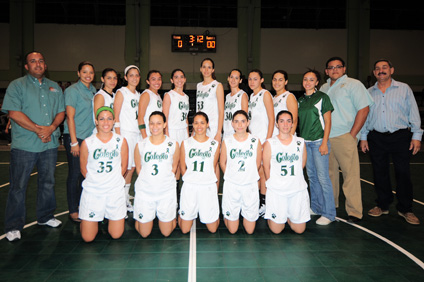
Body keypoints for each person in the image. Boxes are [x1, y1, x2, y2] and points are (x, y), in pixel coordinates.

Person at [2, 51, 64, 241]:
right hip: (25, 146)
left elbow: (61, 112)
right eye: (33, 61)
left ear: (45, 65)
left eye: (41, 61)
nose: (37, 64)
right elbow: (14, 113)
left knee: (48, 182)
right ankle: (13, 225)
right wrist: (39, 130)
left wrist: (52, 127)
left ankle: (45, 216)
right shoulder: (17, 85)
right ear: (27, 66)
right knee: (18, 185)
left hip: (49, 145)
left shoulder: (55, 87)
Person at [360, 59, 423, 225]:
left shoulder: (404, 89)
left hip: (400, 136)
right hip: (376, 137)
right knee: (379, 173)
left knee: (403, 173)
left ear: (391, 70)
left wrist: (417, 135)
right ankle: (382, 205)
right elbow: (366, 116)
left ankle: (405, 209)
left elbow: (413, 112)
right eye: (378, 69)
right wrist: (364, 137)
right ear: (374, 73)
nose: (381, 71)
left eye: (384, 68)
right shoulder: (369, 92)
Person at [320, 57, 373, 223]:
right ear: (326, 71)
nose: (335, 69)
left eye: (338, 67)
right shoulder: (323, 87)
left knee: (350, 176)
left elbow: (364, 109)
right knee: (329, 176)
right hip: (326, 138)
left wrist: (352, 135)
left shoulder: (354, 84)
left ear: (344, 69)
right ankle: (331, 206)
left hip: (344, 136)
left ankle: (354, 212)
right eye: (331, 67)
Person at [79, 107, 128, 242]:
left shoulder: (121, 141)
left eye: (109, 118)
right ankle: (92, 219)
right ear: (96, 121)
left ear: (113, 121)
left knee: (116, 235)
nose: (105, 122)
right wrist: (97, 182)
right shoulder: (88, 143)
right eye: (102, 119)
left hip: (114, 191)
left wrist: (112, 181)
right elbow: (84, 169)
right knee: (87, 238)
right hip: (93, 192)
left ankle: (105, 219)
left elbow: (123, 167)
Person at [298, 69, 336, 225]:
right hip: (305, 144)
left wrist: (324, 142)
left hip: (319, 142)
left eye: (311, 79)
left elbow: (328, 121)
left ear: (317, 82)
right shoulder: (300, 100)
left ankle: (329, 213)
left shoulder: (322, 97)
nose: (308, 82)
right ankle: (316, 207)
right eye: (305, 79)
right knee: (312, 178)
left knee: (323, 178)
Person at [263, 110, 310, 234]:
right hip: (277, 191)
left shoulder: (300, 142)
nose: (285, 124)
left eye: (288, 121)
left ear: (292, 124)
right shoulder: (270, 143)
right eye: (281, 121)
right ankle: (276, 215)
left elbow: (302, 164)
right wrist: (272, 184)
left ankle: (289, 215)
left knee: (299, 230)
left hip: (296, 190)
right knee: (276, 230)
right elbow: (266, 167)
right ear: (277, 124)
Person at [134, 111, 180, 237]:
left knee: (166, 233)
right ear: (148, 125)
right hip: (146, 192)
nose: (155, 127)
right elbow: (139, 168)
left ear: (165, 124)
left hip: (165, 192)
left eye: (159, 123)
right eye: (152, 123)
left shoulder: (173, 144)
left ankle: (170, 217)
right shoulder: (141, 145)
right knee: (144, 234)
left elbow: (174, 167)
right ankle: (143, 217)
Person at [63, 61, 97, 222]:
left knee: (86, 174)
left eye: (91, 72)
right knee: (75, 174)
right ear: (78, 73)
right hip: (76, 137)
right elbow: (70, 117)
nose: (88, 75)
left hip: (89, 139)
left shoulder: (94, 91)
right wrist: (74, 141)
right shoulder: (72, 90)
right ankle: (73, 209)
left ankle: (84, 205)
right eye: (84, 72)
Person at [220, 110, 261, 234]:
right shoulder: (227, 140)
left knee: (249, 231)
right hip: (232, 185)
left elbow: (257, 164)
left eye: (243, 121)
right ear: (232, 124)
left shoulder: (255, 141)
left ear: (248, 123)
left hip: (250, 185)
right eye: (236, 121)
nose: (240, 125)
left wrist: (249, 177)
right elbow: (222, 162)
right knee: (232, 231)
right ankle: (228, 214)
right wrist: (231, 176)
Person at [178, 112, 220, 234]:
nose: (199, 126)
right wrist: (190, 178)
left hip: (207, 186)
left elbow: (214, 166)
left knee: (213, 229)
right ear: (192, 125)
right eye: (196, 123)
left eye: (202, 122)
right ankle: (183, 213)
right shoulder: (186, 143)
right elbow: (182, 167)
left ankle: (209, 211)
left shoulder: (215, 144)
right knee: (185, 230)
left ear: (207, 124)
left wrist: (214, 187)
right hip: (190, 186)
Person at [113, 65, 142, 213]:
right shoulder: (121, 92)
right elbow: (115, 115)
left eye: (137, 75)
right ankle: (120, 200)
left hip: (136, 134)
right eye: (131, 75)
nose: (134, 78)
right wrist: (118, 137)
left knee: (133, 168)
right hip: (125, 133)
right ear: (125, 77)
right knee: (125, 168)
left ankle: (124, 196)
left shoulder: (139, 94)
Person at [248, 69, 275, 216]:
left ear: (262, 80)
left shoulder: (265, 94)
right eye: (250, 79)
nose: (252, 82)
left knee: (264, 173)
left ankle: (265, 204)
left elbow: (272, 118)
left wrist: (267, 140)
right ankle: (257, 201)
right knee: (256, 172)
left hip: (264, 139)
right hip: (254, 141)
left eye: (255, 79)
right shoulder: (252, 96)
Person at [162, 69, 189, 185]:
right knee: (172, 162)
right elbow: (165, 117)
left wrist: (187, 134)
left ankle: (177, 192)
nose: (179, 79)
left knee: (181, 162)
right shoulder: (169, 95)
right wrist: (166, 134)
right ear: (172, 80)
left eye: (181, 77)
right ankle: (170, 188)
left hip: (183, 131)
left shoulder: (186, 97)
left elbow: (186, 117)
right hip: (172, 131)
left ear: (185, 79)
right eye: (176, 77)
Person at [196, 58, 225, 141]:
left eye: (209, 67)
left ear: (213, 70)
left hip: (213, 127)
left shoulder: (217, 85)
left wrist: (219, 131)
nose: (206, 70)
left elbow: (221, 110)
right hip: (200, 126)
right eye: (204, 67)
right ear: (200, 69)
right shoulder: (199, 86)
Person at [222, 69, 249, 139]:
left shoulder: (242, 95)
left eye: (236, 78)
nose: (233, 80)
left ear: (240, 80)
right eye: (231, 77)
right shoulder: (227, 96)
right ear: (228, 78)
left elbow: (244, 117)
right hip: (226, 133)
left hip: (237, 134)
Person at [271, 70, 298, 136]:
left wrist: (289, 139)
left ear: (286, 82)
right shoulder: (273, 98)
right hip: (275, 137)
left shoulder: (289, 96)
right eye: (275, 80)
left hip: (286, 138)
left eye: (280, 80)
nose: (277, 82)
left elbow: (294, 121)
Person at [138, 70, 163, 139]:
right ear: (148, 81)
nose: (157, 82)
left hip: (156, 134)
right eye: (153, 79)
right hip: (147, 135)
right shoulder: (146, 94)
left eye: (159, 79)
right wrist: (145, 137)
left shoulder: (158, 96)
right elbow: (140, 117)